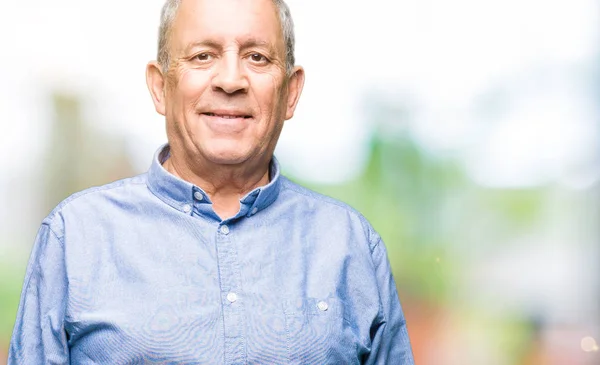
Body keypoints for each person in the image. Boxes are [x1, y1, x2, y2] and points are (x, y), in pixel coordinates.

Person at [8, 0, 415, 363]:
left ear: (290, 92)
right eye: (203, 56)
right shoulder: (76, 236)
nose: (231, 80)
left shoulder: (351, 246)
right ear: (159, 86)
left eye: (257, 57)